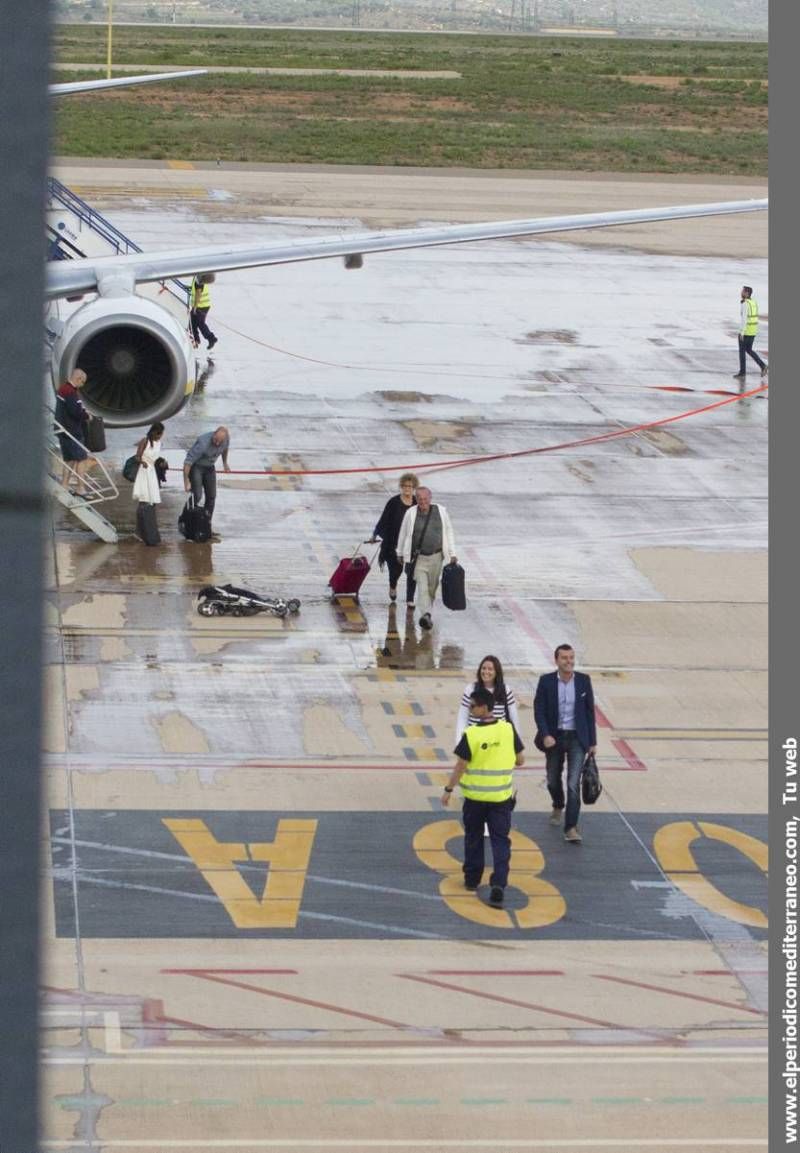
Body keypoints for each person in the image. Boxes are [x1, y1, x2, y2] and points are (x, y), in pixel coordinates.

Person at [442, 687, 525, 909]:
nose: (470, 710)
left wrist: (448, 789)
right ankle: (499, 883)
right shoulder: (508, 730)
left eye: (473, 706)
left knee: (473, 837)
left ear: (484, 707)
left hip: (475, 798)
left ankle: (472, 878)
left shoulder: (472, 734)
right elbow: (520, 760)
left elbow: (461, 765)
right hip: (501, 798)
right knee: (500, 841)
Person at [534, 643, 597, 844]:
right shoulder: (546, 682)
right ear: (557, 660)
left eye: (571, 658)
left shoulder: (584, 681)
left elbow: (589, 712)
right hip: (555, 737)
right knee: (553, 778)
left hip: (577, 738)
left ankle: (571, 826)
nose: (569, 661)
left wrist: (592, 741)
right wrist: (545, 734)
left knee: (572, 783)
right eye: (564, 658)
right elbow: (539, 710)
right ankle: (557, 803)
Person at [396, 485, 457, 631]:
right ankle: (426, 615)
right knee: (422, 587)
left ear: (430, 498)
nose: (423, 502)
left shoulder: (441, 512)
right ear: (416, 500)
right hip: (419, 559)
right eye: (420, 499)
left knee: (431, 589)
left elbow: (449, 532)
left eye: (425, 499)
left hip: (437, 557)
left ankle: (427, 612)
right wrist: (400, 552)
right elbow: (403, 533)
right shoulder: (410, 513)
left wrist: (452, 553)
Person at [370, 473, 418, 607]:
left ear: (414, 487)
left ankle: (410, 598)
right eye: (405, 486)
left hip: (411, 544)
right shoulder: (393, 502)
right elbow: (384, 518)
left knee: (411, 571)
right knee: (396, 570)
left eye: (410, 486)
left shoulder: (416, 503)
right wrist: (375, 534)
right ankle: (393, 585)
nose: (407, 488)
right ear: (401, 487)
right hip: (393, 543)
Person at [455, 655, 520, 742]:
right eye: (483, 668)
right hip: (475, 738)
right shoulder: (470, 689)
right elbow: (463, 716)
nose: (486, 671)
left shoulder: (505, 690)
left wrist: (516, 741)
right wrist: (459, 740)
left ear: (497, 672)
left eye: (490, 669)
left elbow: (513, 717)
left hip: (498, 740)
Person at [54, 368, 97, 497]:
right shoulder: (70, 392)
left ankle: (64, 485)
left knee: (70, 460)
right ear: (78, 379)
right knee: (81, 459)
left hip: (63, 429)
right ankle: (81, 488)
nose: (82, 385)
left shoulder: (63, 389)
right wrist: (86, 416)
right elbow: (75, 412)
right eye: (82, 382)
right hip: (71, 431)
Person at [183, 427, 230, 535]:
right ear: (213, 434)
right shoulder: (203, 443)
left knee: (212, 496)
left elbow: (225, 448)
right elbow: (188, 463)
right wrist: (186, 481)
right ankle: (184, 518)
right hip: (197, 467)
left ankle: (206, 525)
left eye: (220, 441)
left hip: (210, 467)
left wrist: (225, 463)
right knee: (197, 495)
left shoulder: (226, 440)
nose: (217, 443)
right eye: (215, 440)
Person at [132, 422, 165, 545]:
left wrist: (161, 463)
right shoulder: (145, 441)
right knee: (144, 500)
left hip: (152, 473)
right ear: (155, 432)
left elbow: (156, 459)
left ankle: (147, 529)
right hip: (144, 471)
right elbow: (137, 456)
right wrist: (142, 462)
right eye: (159, 433)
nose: (160, 436)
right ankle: (138, 531)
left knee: (152, 502)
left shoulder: (159, 444)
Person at [733, 285, 767, 381]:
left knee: (742, 352)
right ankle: (763, 365)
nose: (741, 293)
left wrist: (742, 333)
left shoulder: (745, 304)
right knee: (749, 350)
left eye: (742, 291)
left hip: (746, 331)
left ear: (747, 293)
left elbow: (744, 319)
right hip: (753, 331)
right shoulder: (753, 302)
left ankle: (742, 373)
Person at [189, 273, 218, 351]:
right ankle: (196, 340)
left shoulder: (199, 279)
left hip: (201, 306)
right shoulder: (199, 277)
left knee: (200, 323)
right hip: (202, 305)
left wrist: (195, 307)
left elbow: (198, 294)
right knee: (192, 322)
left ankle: (211, 338)